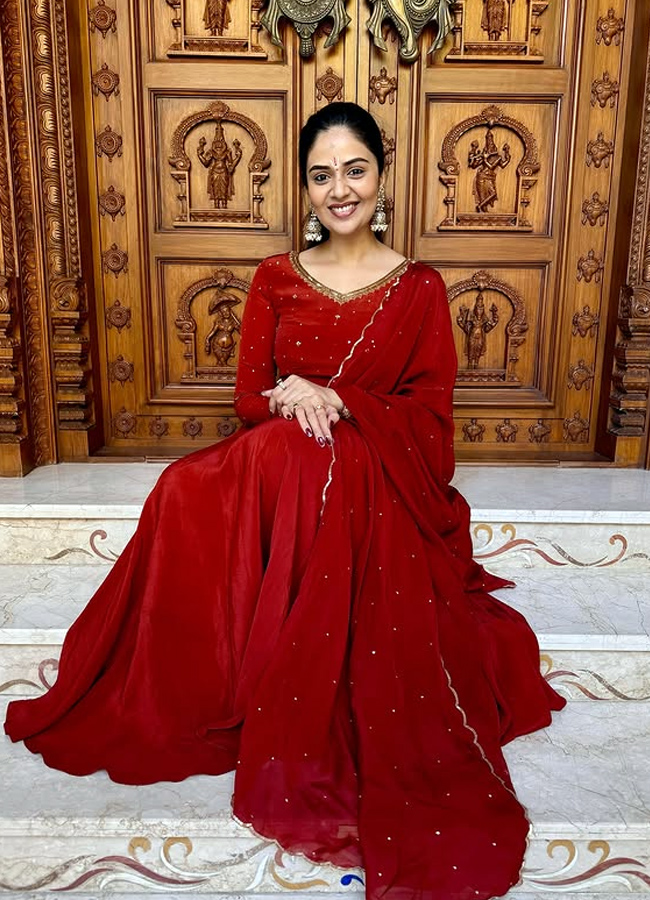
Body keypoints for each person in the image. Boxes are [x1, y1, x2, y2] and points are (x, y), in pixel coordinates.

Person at [4, 102, 565, 900]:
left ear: (382, 170)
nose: (340, 190)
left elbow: (434, 431)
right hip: (278, 454)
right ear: (304, 187)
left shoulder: (420, 288)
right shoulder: (275, 275)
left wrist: (341, 400)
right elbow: (246, 399)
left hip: (373, 469)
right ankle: (194, 672)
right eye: (321, 175)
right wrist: (292, 400)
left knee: (321, 471)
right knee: (182, 485)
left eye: (355, 169)